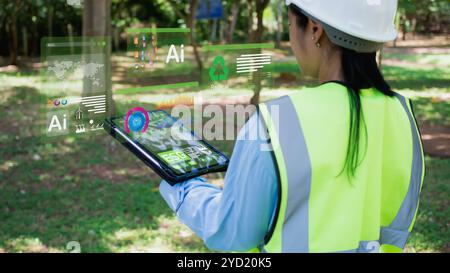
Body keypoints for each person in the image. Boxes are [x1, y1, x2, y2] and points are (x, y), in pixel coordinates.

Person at [159, 0, 425, 253]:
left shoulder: (275, 121)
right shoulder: (404, 117)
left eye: (289, 26)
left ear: (315, 30)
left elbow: (231, 234)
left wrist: (181, 185)